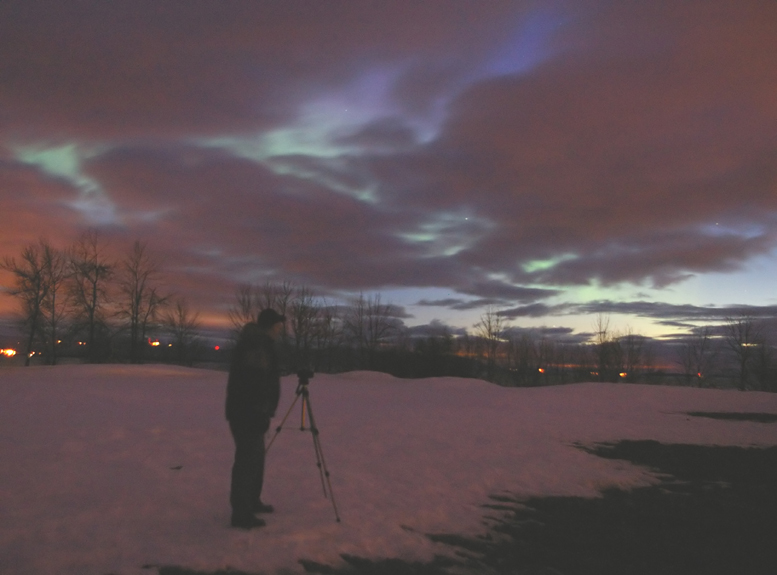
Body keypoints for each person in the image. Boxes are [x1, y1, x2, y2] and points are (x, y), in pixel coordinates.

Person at [225, 308, 285, 529]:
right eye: (278, 326)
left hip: (251, 412)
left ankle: (251, 501)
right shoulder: (256, 345)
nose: (279, 330)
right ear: (270, 326)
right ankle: (241, 514)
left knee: (256, 459)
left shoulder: (260, 344)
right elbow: (253, 384)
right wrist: (259, 410)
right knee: (247, 462)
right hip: (247, 413)